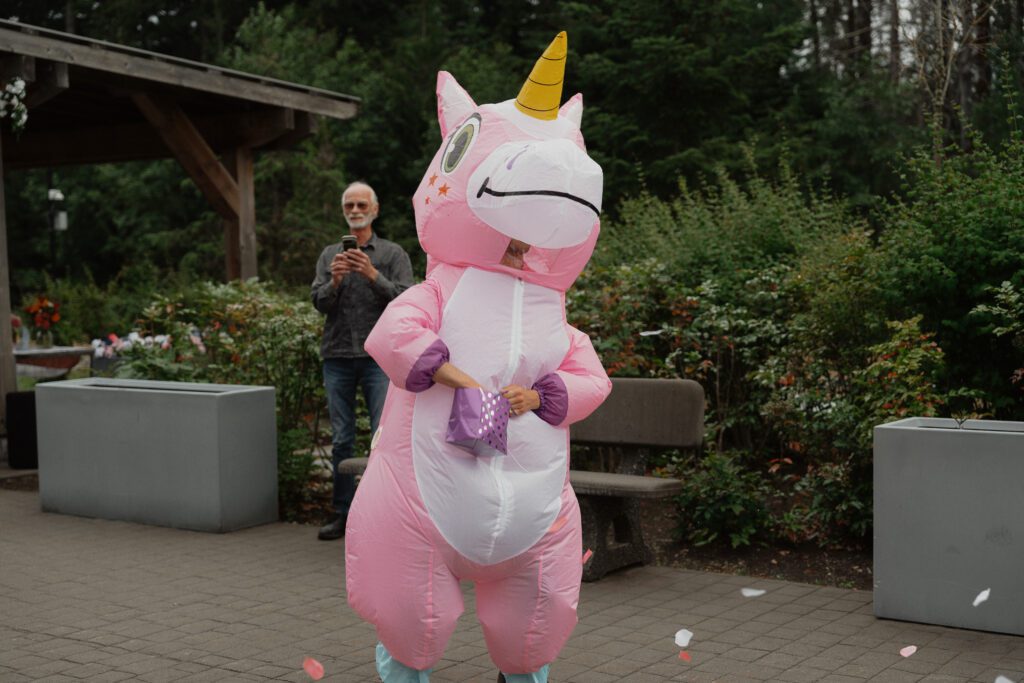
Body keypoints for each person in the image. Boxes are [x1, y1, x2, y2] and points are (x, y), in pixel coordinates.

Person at [345, 32, 611, 683]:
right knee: (412, 611)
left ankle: (523, 668)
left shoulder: (552, 309)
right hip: (426, 491)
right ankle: (405, 665)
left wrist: (542, 395)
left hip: (532, 499)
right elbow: (395, 333)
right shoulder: (442, 288)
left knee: (533, 622)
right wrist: (452, 372)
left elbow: (590, 377)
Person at [310, 181, 414, 541]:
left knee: (382, 438)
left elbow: (406, 300)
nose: (355, 211)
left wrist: (372, 275)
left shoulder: (393, 254)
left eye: (361, 205)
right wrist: (335, 281)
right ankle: (343, 513)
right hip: (337, 355)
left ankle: (382, 515)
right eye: (349, 206)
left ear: (375, 210)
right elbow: (319, 302)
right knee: (341, 439)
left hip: (378, 358)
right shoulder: (329, 255)